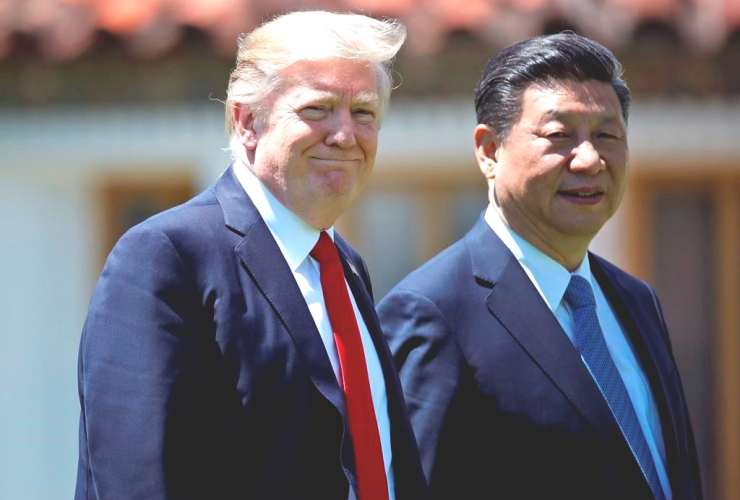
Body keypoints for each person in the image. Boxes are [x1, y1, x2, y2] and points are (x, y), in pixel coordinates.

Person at [75, 11, 427, 500]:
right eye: (318, 108)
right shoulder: (167, 256)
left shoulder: (344, 267)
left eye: (364, 112)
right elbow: (140, 480)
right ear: (247, 122)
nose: (345, 134)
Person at [378, 33, 702, 500]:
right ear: (490, 151)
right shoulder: (434, 312)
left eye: (607, 135)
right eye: (558, 136)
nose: (589, 159)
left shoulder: (635, 300)